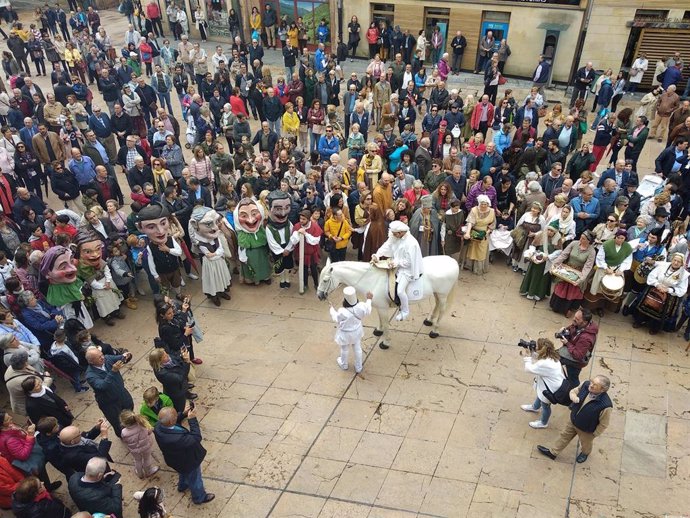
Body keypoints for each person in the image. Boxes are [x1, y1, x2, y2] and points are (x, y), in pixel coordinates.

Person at [537, 375, 612, 463]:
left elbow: (604, 423)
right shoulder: (585, 385)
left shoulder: (605, 405)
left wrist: (594, 434)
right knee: (564, 436)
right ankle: (553, 453)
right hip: (573, 420)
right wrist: (573, 396)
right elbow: (574, 391)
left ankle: (585, 453)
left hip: (586, 429)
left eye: (595, 385)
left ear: (602, 389)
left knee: (586, 444)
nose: (591, 385)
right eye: (592, 382)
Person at [154, 406, 215, 505]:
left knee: (182, 472)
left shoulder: (158, 427)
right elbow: (196, 437)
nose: (176, 417)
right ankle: (199, 497)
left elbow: (170, 422)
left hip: (174, 460)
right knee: (195, 479)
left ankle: (182, 486)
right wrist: (192, 419)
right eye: (175, 417)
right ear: (170, 422)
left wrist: (182, 414)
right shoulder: (177, 438)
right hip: (188, 461)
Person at [371, 220, 423, 321]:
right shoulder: (395, 235)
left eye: (395, 234)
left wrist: (395, 263)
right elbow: (387, 245)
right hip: (396, 262)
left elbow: (409, 262)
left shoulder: (411, 243)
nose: (393, 236)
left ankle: (405, 311)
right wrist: (377, 255)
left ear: (401, 232)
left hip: (407, 269)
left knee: (400, 291)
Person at [632, 253, 688, 335]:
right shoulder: (663, 266)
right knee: (646, 304)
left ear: (682, 263)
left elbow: (682, 289)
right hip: (655, 288)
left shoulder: (684, 274)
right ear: (672, 260)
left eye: (678, 262)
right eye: (675, 260)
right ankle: (639, 321)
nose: (676, 263)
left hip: (669, 295)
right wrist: (657, 284)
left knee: (661, 312)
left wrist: (668, 289)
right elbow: (652, 276)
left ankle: (654, 328)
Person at [84, 346, 134, 438]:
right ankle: (124, 437)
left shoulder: (107, 358)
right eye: (99, 357)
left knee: (130, 411)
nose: (102, 357)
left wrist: (125, 355)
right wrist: (113, 371)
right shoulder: (90, 375)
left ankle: (133, 428)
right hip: (110, 403)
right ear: (91, 361)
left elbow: (120, 358)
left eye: (101, 355)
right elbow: (102, 386)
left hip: (122, 393)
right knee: (118, 423)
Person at [521, 338, 566, 429]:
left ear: (542, 349)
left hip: (551, 389)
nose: (535, 348)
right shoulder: (552, 356)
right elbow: (539, 356)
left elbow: (529, 369)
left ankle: (543, 422)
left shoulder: (545, 363)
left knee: (545, 406)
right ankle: (535, 407)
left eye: (537, 347)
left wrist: (527, 357)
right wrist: (531, 352)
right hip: (548, 385)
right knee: (540, 395)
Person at [330, 287, 373, 373]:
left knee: (344, 349)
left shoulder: (342, 311)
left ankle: (344, 364)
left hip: (345, 334)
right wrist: (369, 299)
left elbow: (336, 318)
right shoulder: (361, 306)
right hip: (357, 332)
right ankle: (358, 367)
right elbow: (368, 309)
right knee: (357, 348)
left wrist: (331, 309)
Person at [556, 308, 599, 385]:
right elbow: (572, 329)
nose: (573, 319)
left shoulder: (586, 338)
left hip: (577, 360)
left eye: (577, 319)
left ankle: (574, 392)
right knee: (572, 376)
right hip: (573, 351)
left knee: (554, 360)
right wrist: (564, 330)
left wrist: (567, 343)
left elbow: (578, 355)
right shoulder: (579, 324)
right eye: (574, 317)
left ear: (585, 322)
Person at [120, 410, 159, 479]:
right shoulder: (143, 425)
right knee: (147, 459)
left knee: (137, 460)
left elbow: (125, 440)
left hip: (134, 450)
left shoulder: (124, 432)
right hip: (146, 447)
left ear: (124, 423)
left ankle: (140, 473)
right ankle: (148, 471)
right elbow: (149, 432)